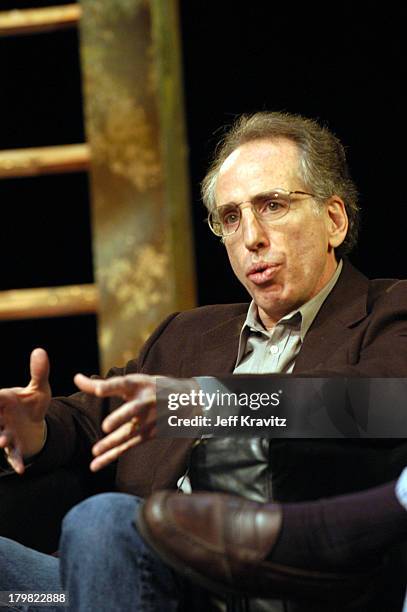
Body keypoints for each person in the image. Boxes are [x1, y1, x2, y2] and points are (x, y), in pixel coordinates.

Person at [0, 111, 407, 611]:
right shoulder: (187, 334)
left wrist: (201, 404)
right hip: (122, 580)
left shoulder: (388, 312)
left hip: (263, 585)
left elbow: (379, 404)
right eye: (231, 217)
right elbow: (97, 418)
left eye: (273, 205)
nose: (250, 237)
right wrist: (33, 427)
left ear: (334, 220)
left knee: (102, 520)